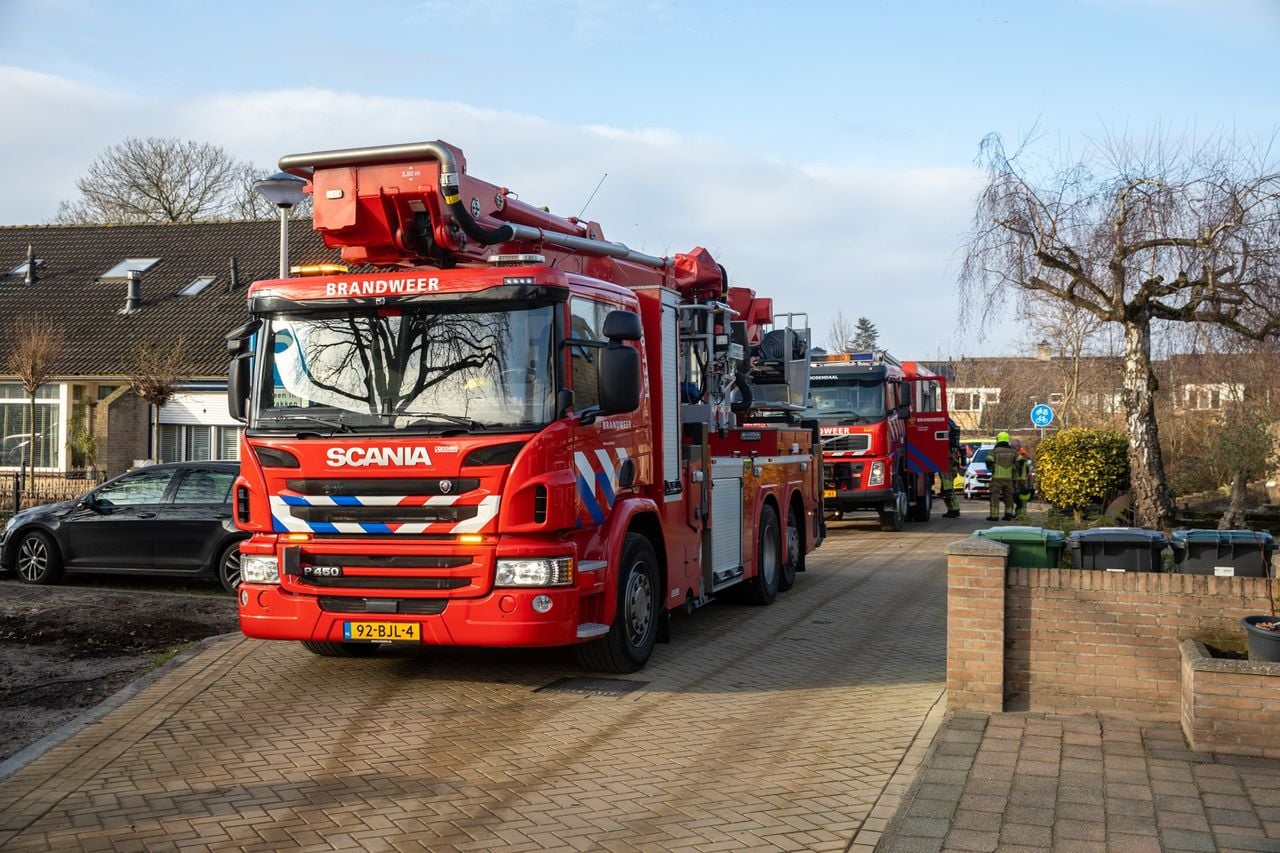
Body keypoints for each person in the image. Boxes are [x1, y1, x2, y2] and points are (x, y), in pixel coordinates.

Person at [985, 431, 1020, 521]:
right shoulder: (1013, 452)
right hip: (1008, 479)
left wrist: (991, 468)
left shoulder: (995, 451)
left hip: (997, 478)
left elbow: (989, 459)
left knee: (994, 496)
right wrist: (1014, 467)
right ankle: (1008, 514)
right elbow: (1021, 460)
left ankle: (994, 515)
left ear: (998, 440)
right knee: (1009, 496)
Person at [940, 420, 963, 518]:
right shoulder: (950, 424)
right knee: (947, 490)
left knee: (948, 489)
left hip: (948, 466)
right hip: (950, 465)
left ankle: (954, 509)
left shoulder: (948, 447)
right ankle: (952, 509)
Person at [1013, 445, 1032, 519]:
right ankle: (1021, 514)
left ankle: (1021, 514)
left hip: (1020, 480)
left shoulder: (1021, 455)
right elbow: (1026, 469)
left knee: (1019, 497)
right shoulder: (1024, 455)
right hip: (1023, 479)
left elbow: (1020, 468)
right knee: (1021, 497)